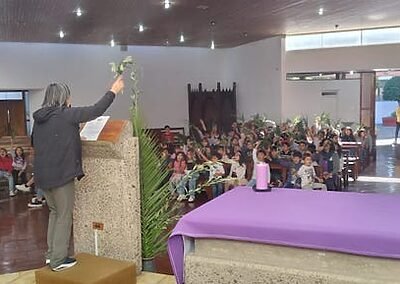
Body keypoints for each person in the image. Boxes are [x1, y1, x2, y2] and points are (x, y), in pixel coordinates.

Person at [32, 76, 124, 272]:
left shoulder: (39, 118)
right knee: (64, 215)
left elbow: (40, 143)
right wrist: (113, 90)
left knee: (55, 213)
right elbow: (96, 110)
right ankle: (59, 260)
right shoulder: (65, 114)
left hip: (43, 176)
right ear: (64, 97)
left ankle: (51, 255)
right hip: (61, 174)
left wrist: (70, 134)